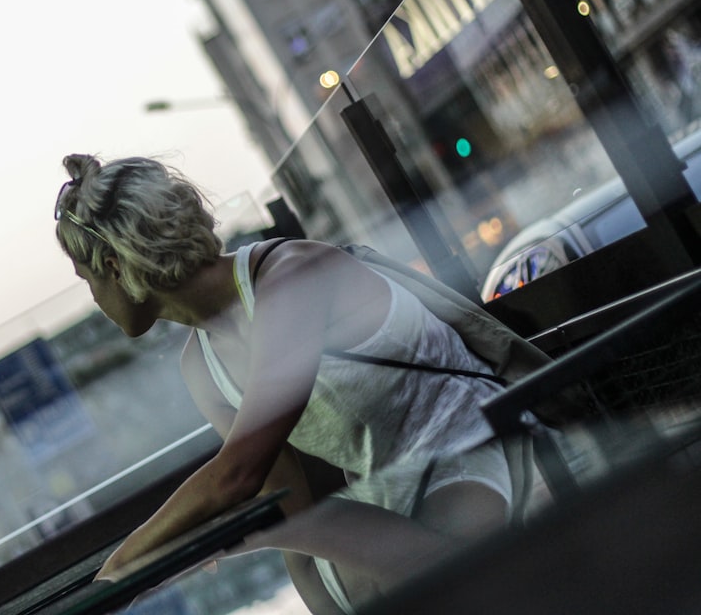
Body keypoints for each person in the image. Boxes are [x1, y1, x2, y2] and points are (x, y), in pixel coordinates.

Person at [53, 153, 548, 614]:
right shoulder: (202, 367)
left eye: (87, 279)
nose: (94, 299)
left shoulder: (291, 278)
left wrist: (118, 574)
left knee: (422, 582)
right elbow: (291, 515)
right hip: (397, 501)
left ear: (115, 267)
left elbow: (238, 475)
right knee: (313, 561)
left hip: (486, 450)